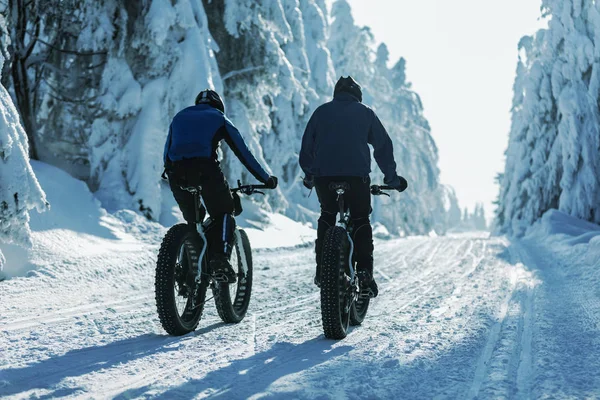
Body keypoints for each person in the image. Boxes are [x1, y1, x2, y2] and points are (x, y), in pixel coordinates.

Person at [299, 76, 408, 298]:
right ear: (357, 95)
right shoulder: (366, 112)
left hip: (324, 178)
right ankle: (365, 272)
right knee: (360, 219)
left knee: (327, 215)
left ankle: (322, 269)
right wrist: (391, 179)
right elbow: (383, 146)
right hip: (356, 178)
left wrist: (310, 175)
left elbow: (306, 147)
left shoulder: (321, 112)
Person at [163, 89, 278, 283]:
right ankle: (220, 259)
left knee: (194, 219)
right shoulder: (219, 117)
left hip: (176, 173)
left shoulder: (179, 117)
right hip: (205, 170)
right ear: (218, 105)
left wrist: (173, 175)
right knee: (225, 211)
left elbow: (167, 151)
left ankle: (191, 262)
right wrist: (266, 178)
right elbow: (244, 153)